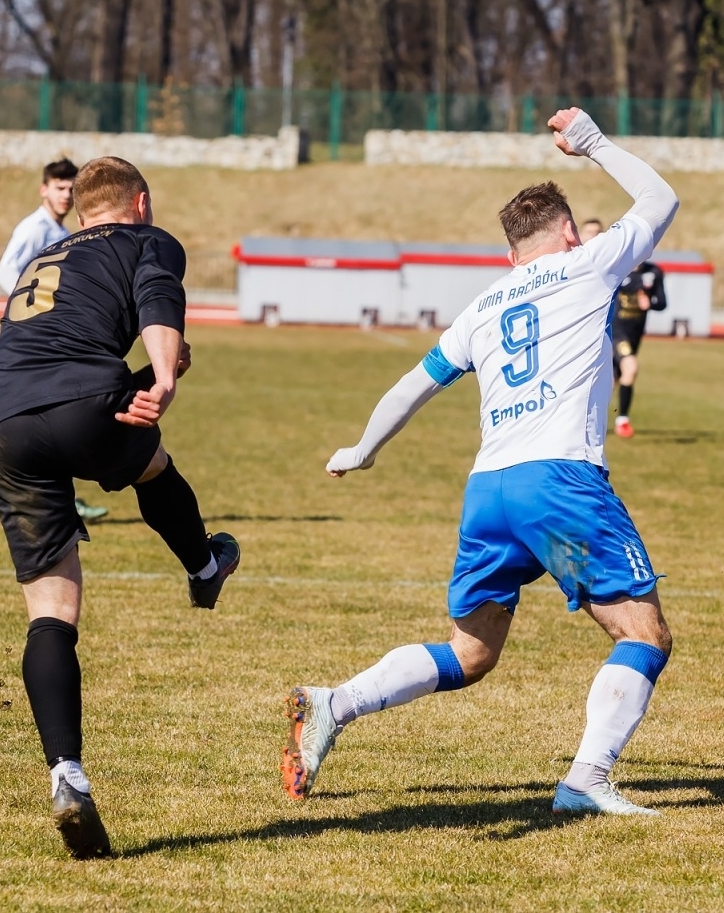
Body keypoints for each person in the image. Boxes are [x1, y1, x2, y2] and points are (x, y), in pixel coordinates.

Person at [281, 108, 679, 818]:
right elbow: (660, 200)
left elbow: (414, 383)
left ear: (509, 255)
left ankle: (332, 704)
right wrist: (591, 144)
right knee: (643, 633)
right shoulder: (586, 264)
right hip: (558, 483)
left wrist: (362, 450)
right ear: (565, 234)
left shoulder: (484, 303)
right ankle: (586, 778)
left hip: (489, 490)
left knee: (471, 653)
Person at [0, 156, 240, 858]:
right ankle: (204, 563)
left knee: (51, 614)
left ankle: (66, 773)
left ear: (82, 209)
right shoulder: (148, 240)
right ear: (140, 203)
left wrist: (130, 379)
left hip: (2, 426)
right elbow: (159, 300)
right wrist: (162, 375)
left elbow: (53, 351)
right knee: (152, 462)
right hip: (81, 405)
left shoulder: (46, 253)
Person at [0, 158, 109, 526]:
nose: (66, 196)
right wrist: (33, 305)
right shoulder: (34, 228)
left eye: (71, 189)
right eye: (60, 188)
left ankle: (63, 497)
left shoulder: (60, 230)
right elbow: (4, 270)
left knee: (48, 408)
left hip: (49, 336)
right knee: (14, 411)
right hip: (30, 336)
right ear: (44, 189)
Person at [579, 218, 664, 439]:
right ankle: (623, 421)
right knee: (631, 368)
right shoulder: (613, 268)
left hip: (635, 334)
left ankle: (584, 421)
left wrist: (651, 303)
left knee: (612, 380)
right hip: (615, 331)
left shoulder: (653, 273)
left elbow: (662, 302)